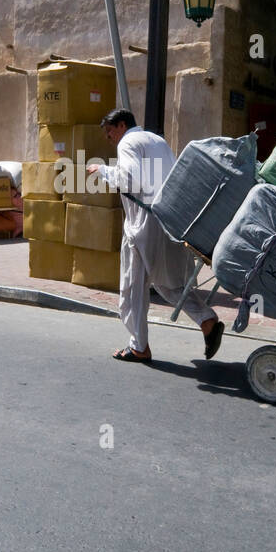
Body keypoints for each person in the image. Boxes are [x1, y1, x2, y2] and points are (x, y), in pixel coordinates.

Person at [87, 109, 224, 363]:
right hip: (169, 219)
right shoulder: (157, 140)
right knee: (167, 284)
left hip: (143, 223)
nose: (109, 139)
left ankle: (139, 346)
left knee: (132, 287)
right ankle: (207, 321)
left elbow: (130, 179)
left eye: (109, 133)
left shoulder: (128, 142)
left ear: (121, 125)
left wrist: (102, 170)